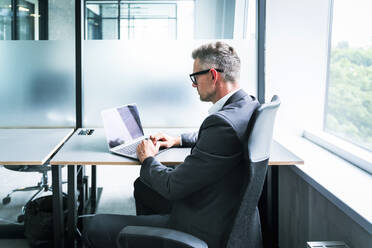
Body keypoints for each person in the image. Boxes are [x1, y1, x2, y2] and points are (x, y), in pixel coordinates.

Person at [83, 41, 259, 248]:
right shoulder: (246, 105)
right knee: (144, 186)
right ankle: (148, 239)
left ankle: (163, 237)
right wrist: (178, 139)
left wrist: (147, 158)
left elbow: (171, 187)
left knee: (94, 225)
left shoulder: (221, 124)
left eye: (196, 77)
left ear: (213, 75)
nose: (194, 84)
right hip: (224, 209)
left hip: (203, 226)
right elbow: (221, 137)